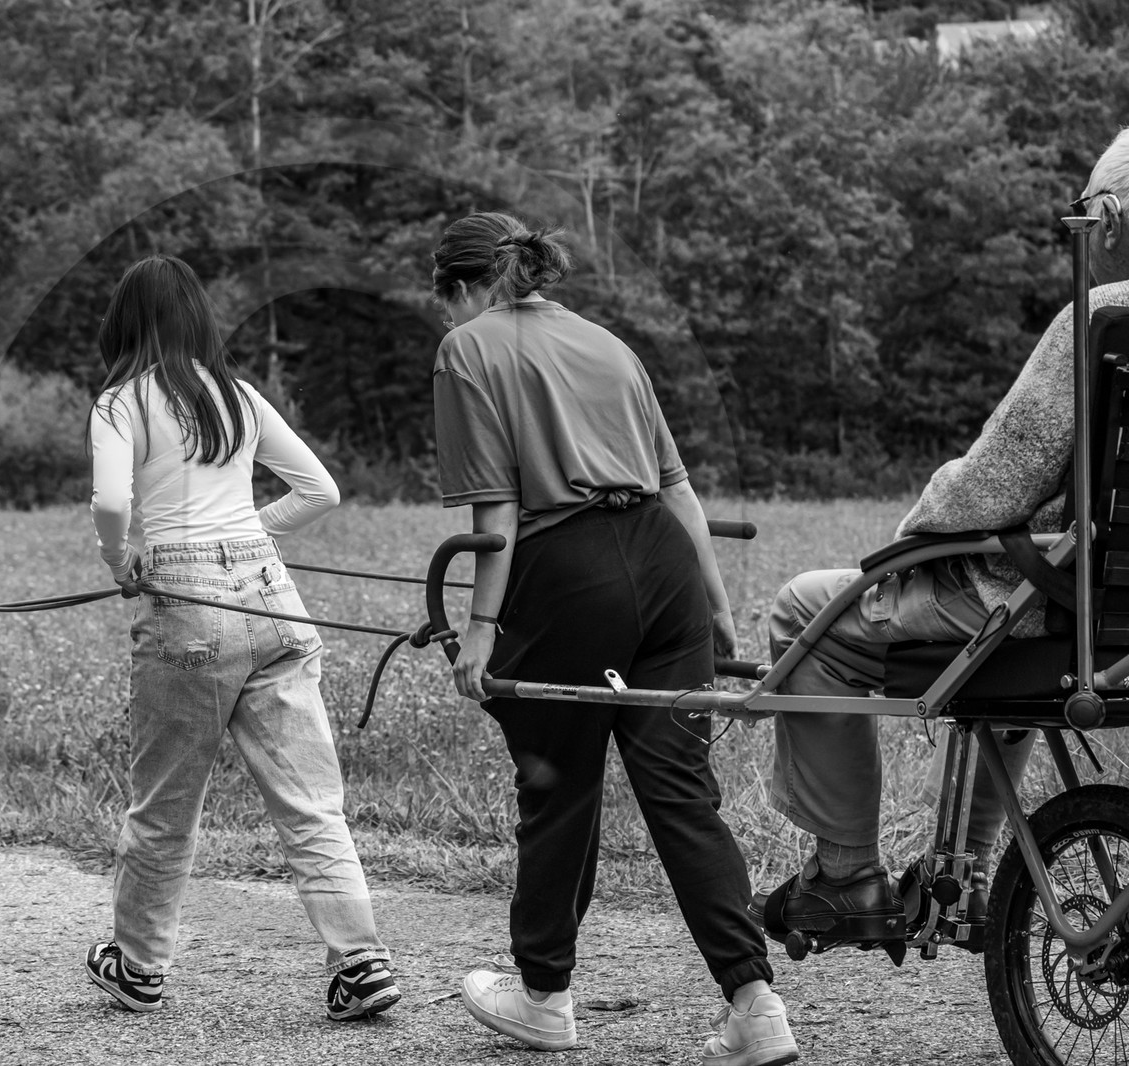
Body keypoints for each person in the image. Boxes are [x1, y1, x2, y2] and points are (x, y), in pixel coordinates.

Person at [432, 212, 798, 1065]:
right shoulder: (607, 343)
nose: (449, 320)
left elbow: (497, 512)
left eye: (447, 303)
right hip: (665, 567)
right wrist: (714, 610)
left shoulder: (467, 348)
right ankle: (756, 1003)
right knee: (680, 791)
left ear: (458, 287)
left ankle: (544, 998)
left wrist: (481, 631)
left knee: (557, 784)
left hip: (569, 570)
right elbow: (676, 487)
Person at [759, 128, 1129, 939]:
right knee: (1023, 610)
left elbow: (996, 480)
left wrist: (910, 538)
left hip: (1059, 604)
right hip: (1111, 612)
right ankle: (958, 874)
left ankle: (845, 875)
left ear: (1106, 223)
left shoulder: (1101, 319)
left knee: (801, 614)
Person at [83, 254, 399, 1021]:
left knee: (164, 806)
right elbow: (318, 488)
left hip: (185, 610)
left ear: (126, 324)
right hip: (272, 599)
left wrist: (119, 559)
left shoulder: (122, 401)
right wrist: (246, 537)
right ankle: (360, 963)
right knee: (312, 803)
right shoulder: (240, 397)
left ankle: (137, 967)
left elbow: (110, 499)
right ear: (196, 317)